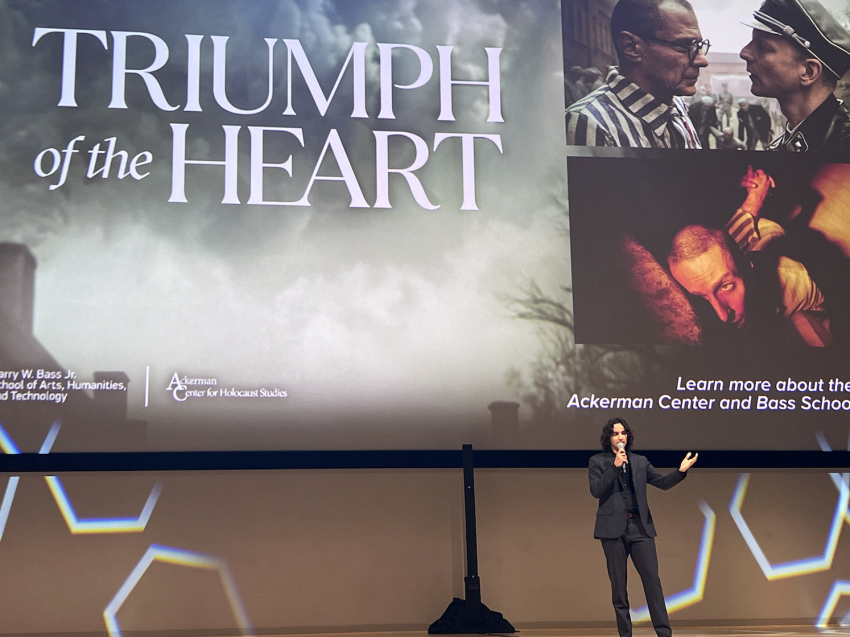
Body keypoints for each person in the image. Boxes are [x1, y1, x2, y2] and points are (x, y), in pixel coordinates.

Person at [589, 418, 698, 637]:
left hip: (640, 528)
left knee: (653, 583)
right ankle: (625, 634)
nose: (620, 437)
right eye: (615, 434)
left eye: (623, 433)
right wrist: (615, 467)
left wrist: (681, 471)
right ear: (608, 438)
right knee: (619, 589)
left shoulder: (640, 461)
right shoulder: (598, 461)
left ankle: (664, 633)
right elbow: (596, 490)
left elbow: (662, 482)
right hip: (612, 531)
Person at [566, 0, 708, 147]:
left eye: (698, 46)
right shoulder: (590, 124)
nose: (702, 60)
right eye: (684, 46)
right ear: (631, 47)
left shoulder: (675, 104)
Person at [667, 221, 831, 346]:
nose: (722, 316)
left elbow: (825, 316)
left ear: (747, 267)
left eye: (726, 286)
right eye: (702, 297)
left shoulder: (795, 278)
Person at [739, 0, 850, 153]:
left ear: (808, 72)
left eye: (763, 47)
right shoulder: (781, 148)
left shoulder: (843, 147)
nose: (744, 53)